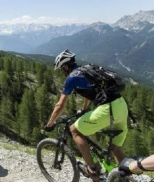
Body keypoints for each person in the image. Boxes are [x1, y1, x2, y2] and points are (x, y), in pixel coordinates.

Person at [44, 49, 128, 182]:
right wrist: (84, 109)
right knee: (114, 147)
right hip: (122, 106)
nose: (62, 71)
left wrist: (49, 124)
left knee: (74, 130)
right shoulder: (86, 70)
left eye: (61, 68)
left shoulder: (71, 78)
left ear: (65, 66)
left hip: (108, 109)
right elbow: (89, 93)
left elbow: (60, 105)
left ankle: (92, 168)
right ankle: (126, 176)